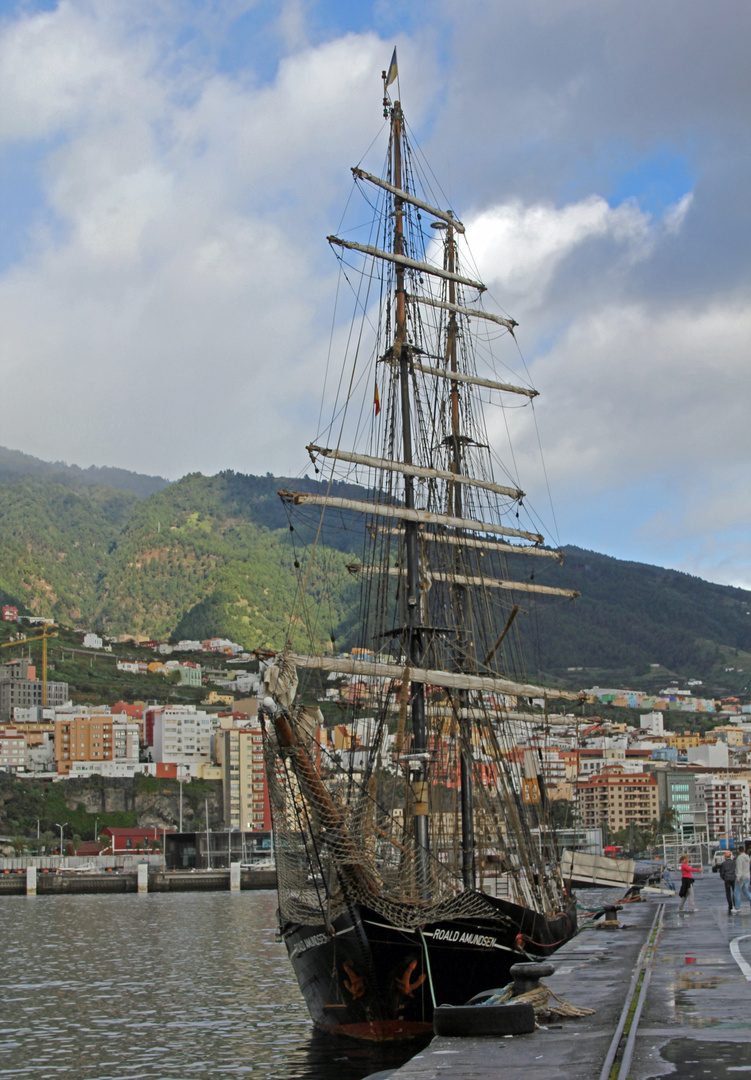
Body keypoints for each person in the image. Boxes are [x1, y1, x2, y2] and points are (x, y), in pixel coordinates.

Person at [734, 845, 751, 910]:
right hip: (747, 876)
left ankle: (737, 908)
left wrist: (738, 877)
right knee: (746, 891)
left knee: (737, 892)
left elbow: (739, 868)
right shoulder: (747, 857)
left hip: (741, 877)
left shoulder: (739, 858)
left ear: (738, 851)